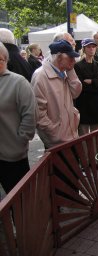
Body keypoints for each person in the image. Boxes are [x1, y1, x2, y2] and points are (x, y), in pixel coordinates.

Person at [31, 40, 82, 149]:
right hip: (57, 141)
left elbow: (76, 92)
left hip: (70, 135)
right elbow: (39, 114)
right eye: (70, 57)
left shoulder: (63, 71)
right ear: (59, 57)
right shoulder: (40, 76)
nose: (74, 60)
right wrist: (55, 134)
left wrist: (71, 70)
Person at [0, 42, 36, 193]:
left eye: (0, 59)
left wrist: (20, 142)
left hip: (12, 156)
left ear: (6, 60)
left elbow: (30, 115)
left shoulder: (18, 82)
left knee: (20, 199)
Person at [74, 38, 98, 135]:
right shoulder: (77, 66)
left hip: (97, 102)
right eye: (89, 47)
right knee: (84, 136)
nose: (91, 49)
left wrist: (92, 81)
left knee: (97, 135)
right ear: (84, 49)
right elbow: (81, 85)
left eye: (93, 47)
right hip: (83, 103)